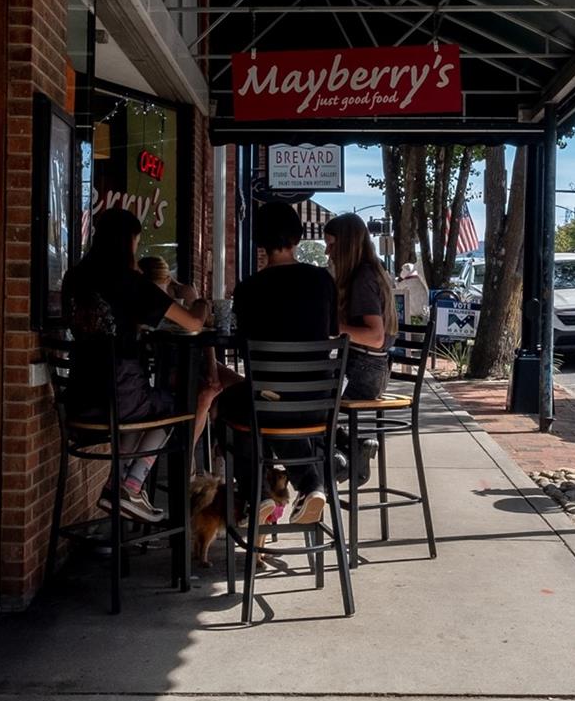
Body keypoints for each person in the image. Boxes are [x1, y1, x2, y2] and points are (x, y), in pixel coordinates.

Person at [61, 209, 211, 523]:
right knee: (176, 404)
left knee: (141, 410)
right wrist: (199, 300)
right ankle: (132, 483)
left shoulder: (73, 277)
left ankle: (118, 489)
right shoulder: (129, 281)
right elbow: (194, 323)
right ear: (127, 241)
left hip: (79, 399)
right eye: (136, 242)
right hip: (118, 394)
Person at [226, 201, 339, 525]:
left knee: (231, 405)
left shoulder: (247, 289)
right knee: (269, 404)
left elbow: (242, 341)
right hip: (318, 402)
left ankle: (257, 495)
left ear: (258, 241)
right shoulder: (322, 281)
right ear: (298, 237)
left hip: (269, 401)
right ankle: (310, 485)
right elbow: (332, 332)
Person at [325, 213, 399, 486]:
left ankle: (337, 460)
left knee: (303, 397)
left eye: (331, 244)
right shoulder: (372, 272)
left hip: (363, 372)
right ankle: (350, 447)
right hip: (371, 370)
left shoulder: (362, 278)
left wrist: (333, 327)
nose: (327, 251)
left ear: (347, 244)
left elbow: (376, 336)